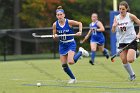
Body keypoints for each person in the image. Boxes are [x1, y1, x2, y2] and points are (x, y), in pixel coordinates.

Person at [52, 6, 89, 84]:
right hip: (62, 45)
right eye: (58, 15)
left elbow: (80, 23)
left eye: (61, 14)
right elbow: (55, 36)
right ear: (56, 16)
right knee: (64, 66)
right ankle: (73, 78)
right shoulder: (55, 24)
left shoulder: (68, 22)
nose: (59, 16)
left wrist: (80, 31)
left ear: (64, 15)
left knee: (71, 62)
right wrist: (54, 36)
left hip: (70, 43)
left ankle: (81, 52)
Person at [112, 1, 140, 81]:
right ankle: (132, 75)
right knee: (124, 60)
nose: (121, 10)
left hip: (132, 40)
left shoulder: (130, 16)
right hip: (121, 41)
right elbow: (113, 31)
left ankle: (136, 52)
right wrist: (114, 26)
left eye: (123, 9)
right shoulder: (116, 18)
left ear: (126, 9)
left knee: (130, 60)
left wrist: (138, 34)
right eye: (120, 9)